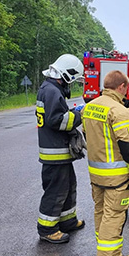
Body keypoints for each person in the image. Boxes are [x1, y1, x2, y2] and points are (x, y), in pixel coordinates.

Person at [82, 70, 129, 256]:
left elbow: (90, 136)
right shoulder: (119, 111)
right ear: (121, 87)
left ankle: (103, 250)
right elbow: (128, 148)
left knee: (100, 211)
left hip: (96, 173)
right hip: (116, 176)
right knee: (115, 214)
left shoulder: (89, 108)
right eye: (126, 88)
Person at [36, 54, 86, 244]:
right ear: (67, 75)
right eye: (73, 80)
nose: (72, 84)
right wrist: (79, 115)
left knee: (68, 186)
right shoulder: (51, 91)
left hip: (59, 152)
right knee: (55, 191)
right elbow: (58, 121)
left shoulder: (50, 89)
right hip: (54, 153)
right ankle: (47, 229)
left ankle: (67, 221)